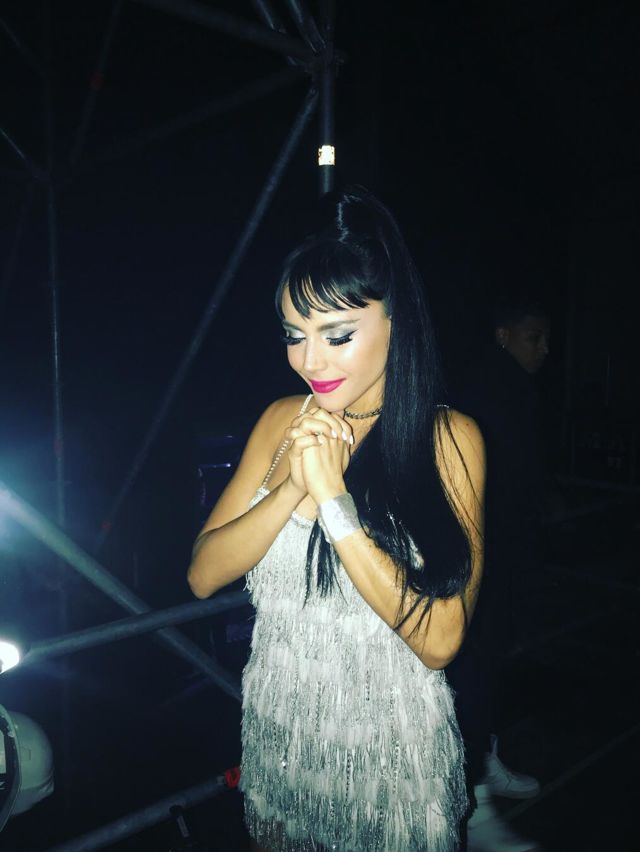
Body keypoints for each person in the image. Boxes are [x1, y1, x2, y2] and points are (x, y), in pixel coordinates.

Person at [187, 186, 485, 851]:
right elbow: (203, 575)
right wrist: (292, 486)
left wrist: (332, 501)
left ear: (397, 321)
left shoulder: (448, 440)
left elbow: (440, 640)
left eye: (337, 335)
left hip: (388, 761)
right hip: (283, 740)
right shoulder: (280, 421)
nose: (309, 361)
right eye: (295, 336)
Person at [447, 299, 550, 851]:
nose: (544, 350)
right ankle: (469, 800)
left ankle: (482, 768)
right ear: (504, 334)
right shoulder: (483, 388)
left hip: (502, 556)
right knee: (473, 674)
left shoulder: (510, 388)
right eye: (534, 337)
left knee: (486, 671)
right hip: (478, 561)